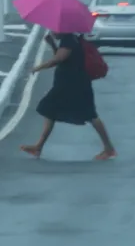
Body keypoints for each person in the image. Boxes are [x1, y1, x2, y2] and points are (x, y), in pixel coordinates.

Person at [20, 32, 117, 161]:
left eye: (54, 29)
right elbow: (62, 58)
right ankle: (38, 146)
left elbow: (58, 59)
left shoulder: (69, 40)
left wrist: (38, 67)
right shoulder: (70, 40)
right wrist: (52, 44)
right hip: (67, 83)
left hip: (75, 85)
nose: (52, 31)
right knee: (49, 110)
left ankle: (109, 149)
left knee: (91, 115)